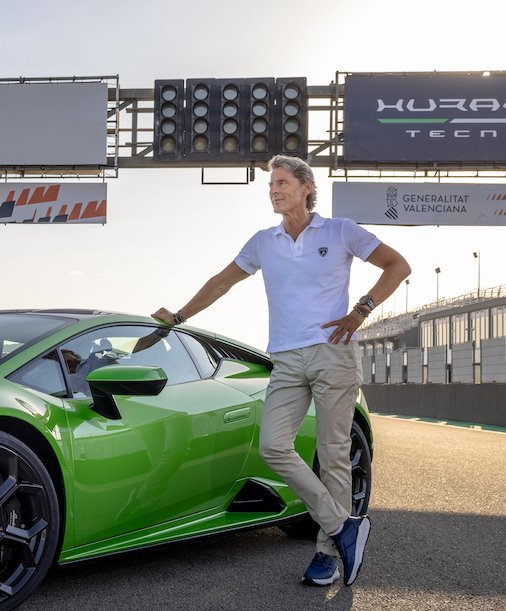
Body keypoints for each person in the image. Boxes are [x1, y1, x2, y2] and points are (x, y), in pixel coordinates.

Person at [153, 155, 410, 587]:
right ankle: (342, 525)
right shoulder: (263, 241)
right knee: (273, 445)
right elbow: (221, 282)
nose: (274, 190)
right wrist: (177, 316)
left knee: (332, 455)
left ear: (306, 187)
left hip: (334, 353)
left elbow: (398, 265)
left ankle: (327, 555)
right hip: (287, 359)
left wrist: (360, 311)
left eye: (282, 182)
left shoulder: (341, 230)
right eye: (271, 184)